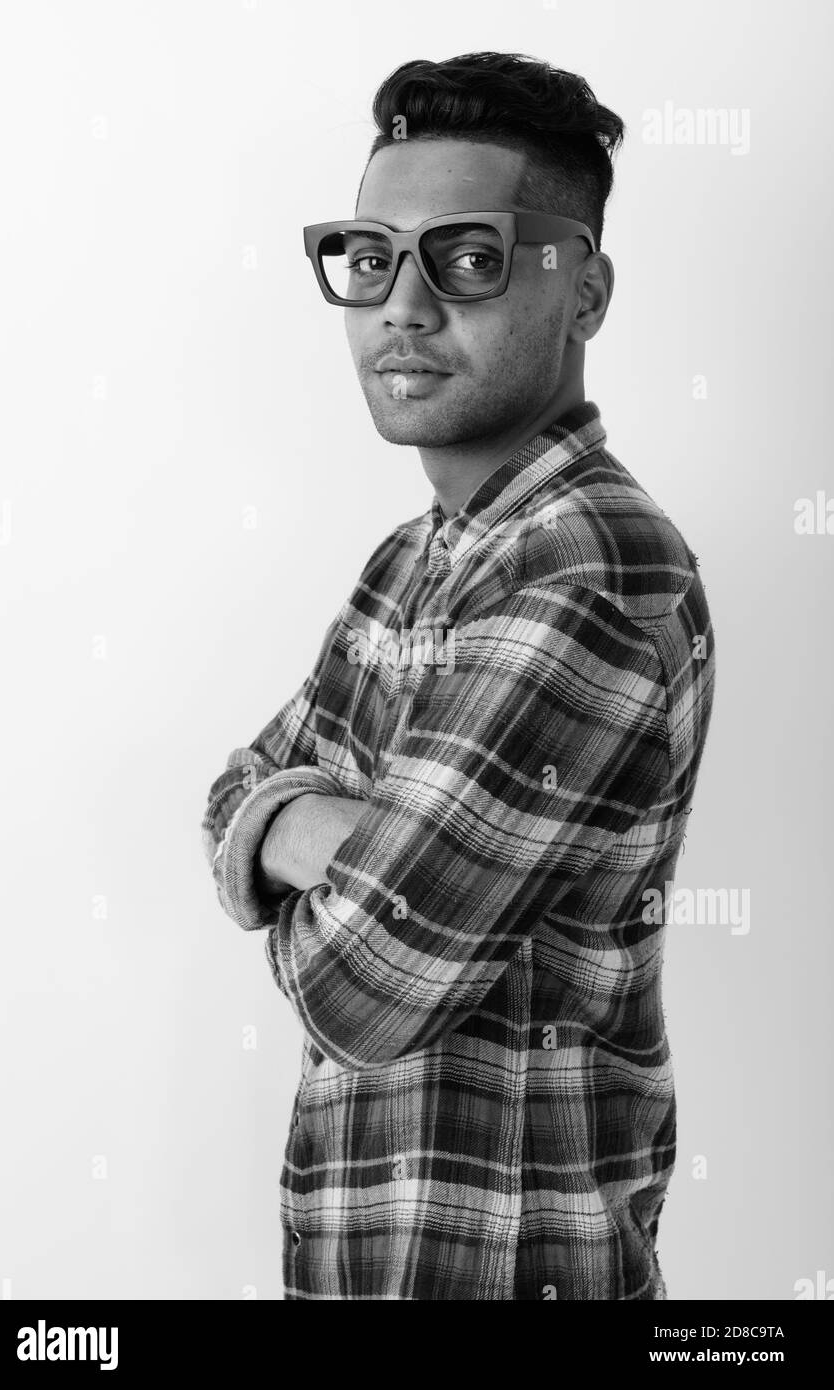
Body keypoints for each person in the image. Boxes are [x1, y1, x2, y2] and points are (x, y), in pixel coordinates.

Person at [202, 51, 716, 1300]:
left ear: (584, 289)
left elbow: (362, 985)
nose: (402, 307)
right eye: (371, 257)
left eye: (471, 259)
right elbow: (232, 792)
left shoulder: (590, 573)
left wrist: (309, 835)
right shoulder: (409, 561)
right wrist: (333, 834)